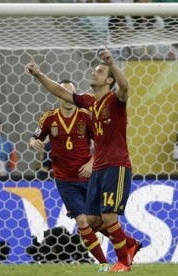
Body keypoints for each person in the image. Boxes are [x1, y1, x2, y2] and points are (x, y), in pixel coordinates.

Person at [25, 46, 142, 272]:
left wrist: (112, 63)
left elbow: (125, 87)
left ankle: (123, 263)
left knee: (108, 215)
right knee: (92, 220)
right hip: (96, 169)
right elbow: (60, 92)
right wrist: (38, 74)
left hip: (116, 166)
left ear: (109, 81)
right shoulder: (89, 102)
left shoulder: (115, 100)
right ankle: (131, 245)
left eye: (99, 72)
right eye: (95, 70)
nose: (93, 73)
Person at [29, 80, 110, 271]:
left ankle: (127, 247)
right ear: (58, 95)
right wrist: (33, 143)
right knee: (82, 221)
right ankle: (104, 263)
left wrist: (91, 164)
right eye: (64, 92)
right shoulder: (49, 118)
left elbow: (103, 142)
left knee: (99, 221)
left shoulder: (86, 116)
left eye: (71, 93)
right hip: (65, 181)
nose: (68, 97)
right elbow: (34, 137)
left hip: (89, 177)